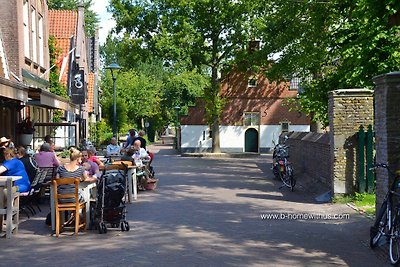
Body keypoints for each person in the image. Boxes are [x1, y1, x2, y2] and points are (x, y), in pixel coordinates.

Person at [55, 147, 96, 225]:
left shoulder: (60, 168)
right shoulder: (80, 169)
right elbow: (86, 179)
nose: (81, 161)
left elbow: (57, 180)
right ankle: (83, 221)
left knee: (76, 194)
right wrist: (94, 178)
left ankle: (63, 222)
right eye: (80, 159)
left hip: (61, 199)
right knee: (85, 197)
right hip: (74, 199)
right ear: (77, 159)